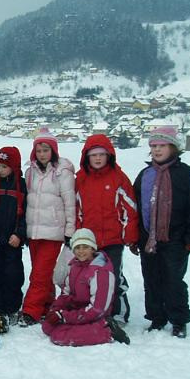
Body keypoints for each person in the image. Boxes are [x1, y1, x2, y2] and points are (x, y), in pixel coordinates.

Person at [131, 125, 190, 338]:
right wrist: (134, 237)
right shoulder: (145, 175)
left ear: (173, 147)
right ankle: (157, 317)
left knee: (173, 280)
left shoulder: (187, 175)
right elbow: (134, 207)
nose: (157, 150)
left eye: (162, 145)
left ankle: (179, 320)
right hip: (148, 238)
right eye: (154, 146)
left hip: (176, 239)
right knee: (151, 279)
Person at [75, 134, 138, 322]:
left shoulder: (119, 178)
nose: (98, 158)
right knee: (89, 277)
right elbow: (76, 210)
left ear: (109, 155)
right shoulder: (81, 179)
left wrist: (129, 235)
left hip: (112, 239)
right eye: (93, 155)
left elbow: (130, 208)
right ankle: (94, 311)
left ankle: (118, 314)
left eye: (101, 154)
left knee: (113, 276)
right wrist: (77, 235)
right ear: (87, 157)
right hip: (89, 241)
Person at [19, 126, 76, 326]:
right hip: (34, 230)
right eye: (39, 150)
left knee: (39, 274)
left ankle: (30, 311)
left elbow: (70, 203)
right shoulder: (30, 172)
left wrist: (70, 230)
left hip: (53, 230)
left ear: (53, 151)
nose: (42, 154)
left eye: (46, 150)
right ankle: (47, 305)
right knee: (42, 272)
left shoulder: (63, 173)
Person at [41, 229, 129, 347]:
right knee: (48, 326)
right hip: (78, 311)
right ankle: (79, 328)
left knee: (59, 336)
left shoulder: (100, 272)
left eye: (85, 247)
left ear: (93, 248)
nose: (81, 251)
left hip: (95, 316)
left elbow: (98, 309)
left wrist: (64, 317)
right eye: (77, 247)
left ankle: (108, 331)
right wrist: (56, 310)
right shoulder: (74, 266)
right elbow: (66, 294)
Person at [0, 146, 27, 325]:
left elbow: (26, 213)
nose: (0, 170)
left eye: (4, 166)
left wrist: (19, 234)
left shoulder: (22, 185)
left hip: (12, 240)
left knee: (12, 275)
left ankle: (11, 308)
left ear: (14, 166)